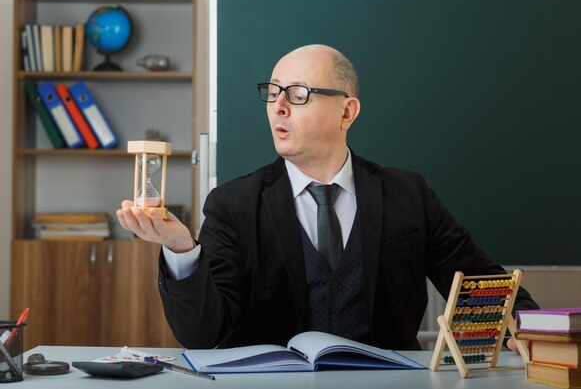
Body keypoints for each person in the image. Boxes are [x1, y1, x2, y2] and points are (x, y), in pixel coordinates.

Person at [117, 44, 538, 351]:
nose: (278, 106)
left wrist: (537, 331)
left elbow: (484, 285)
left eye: (298, 94)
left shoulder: (409, 195)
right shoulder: (232, 204)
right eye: (272, 91)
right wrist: (182, 250)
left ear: (347, 112)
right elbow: (204, 335)